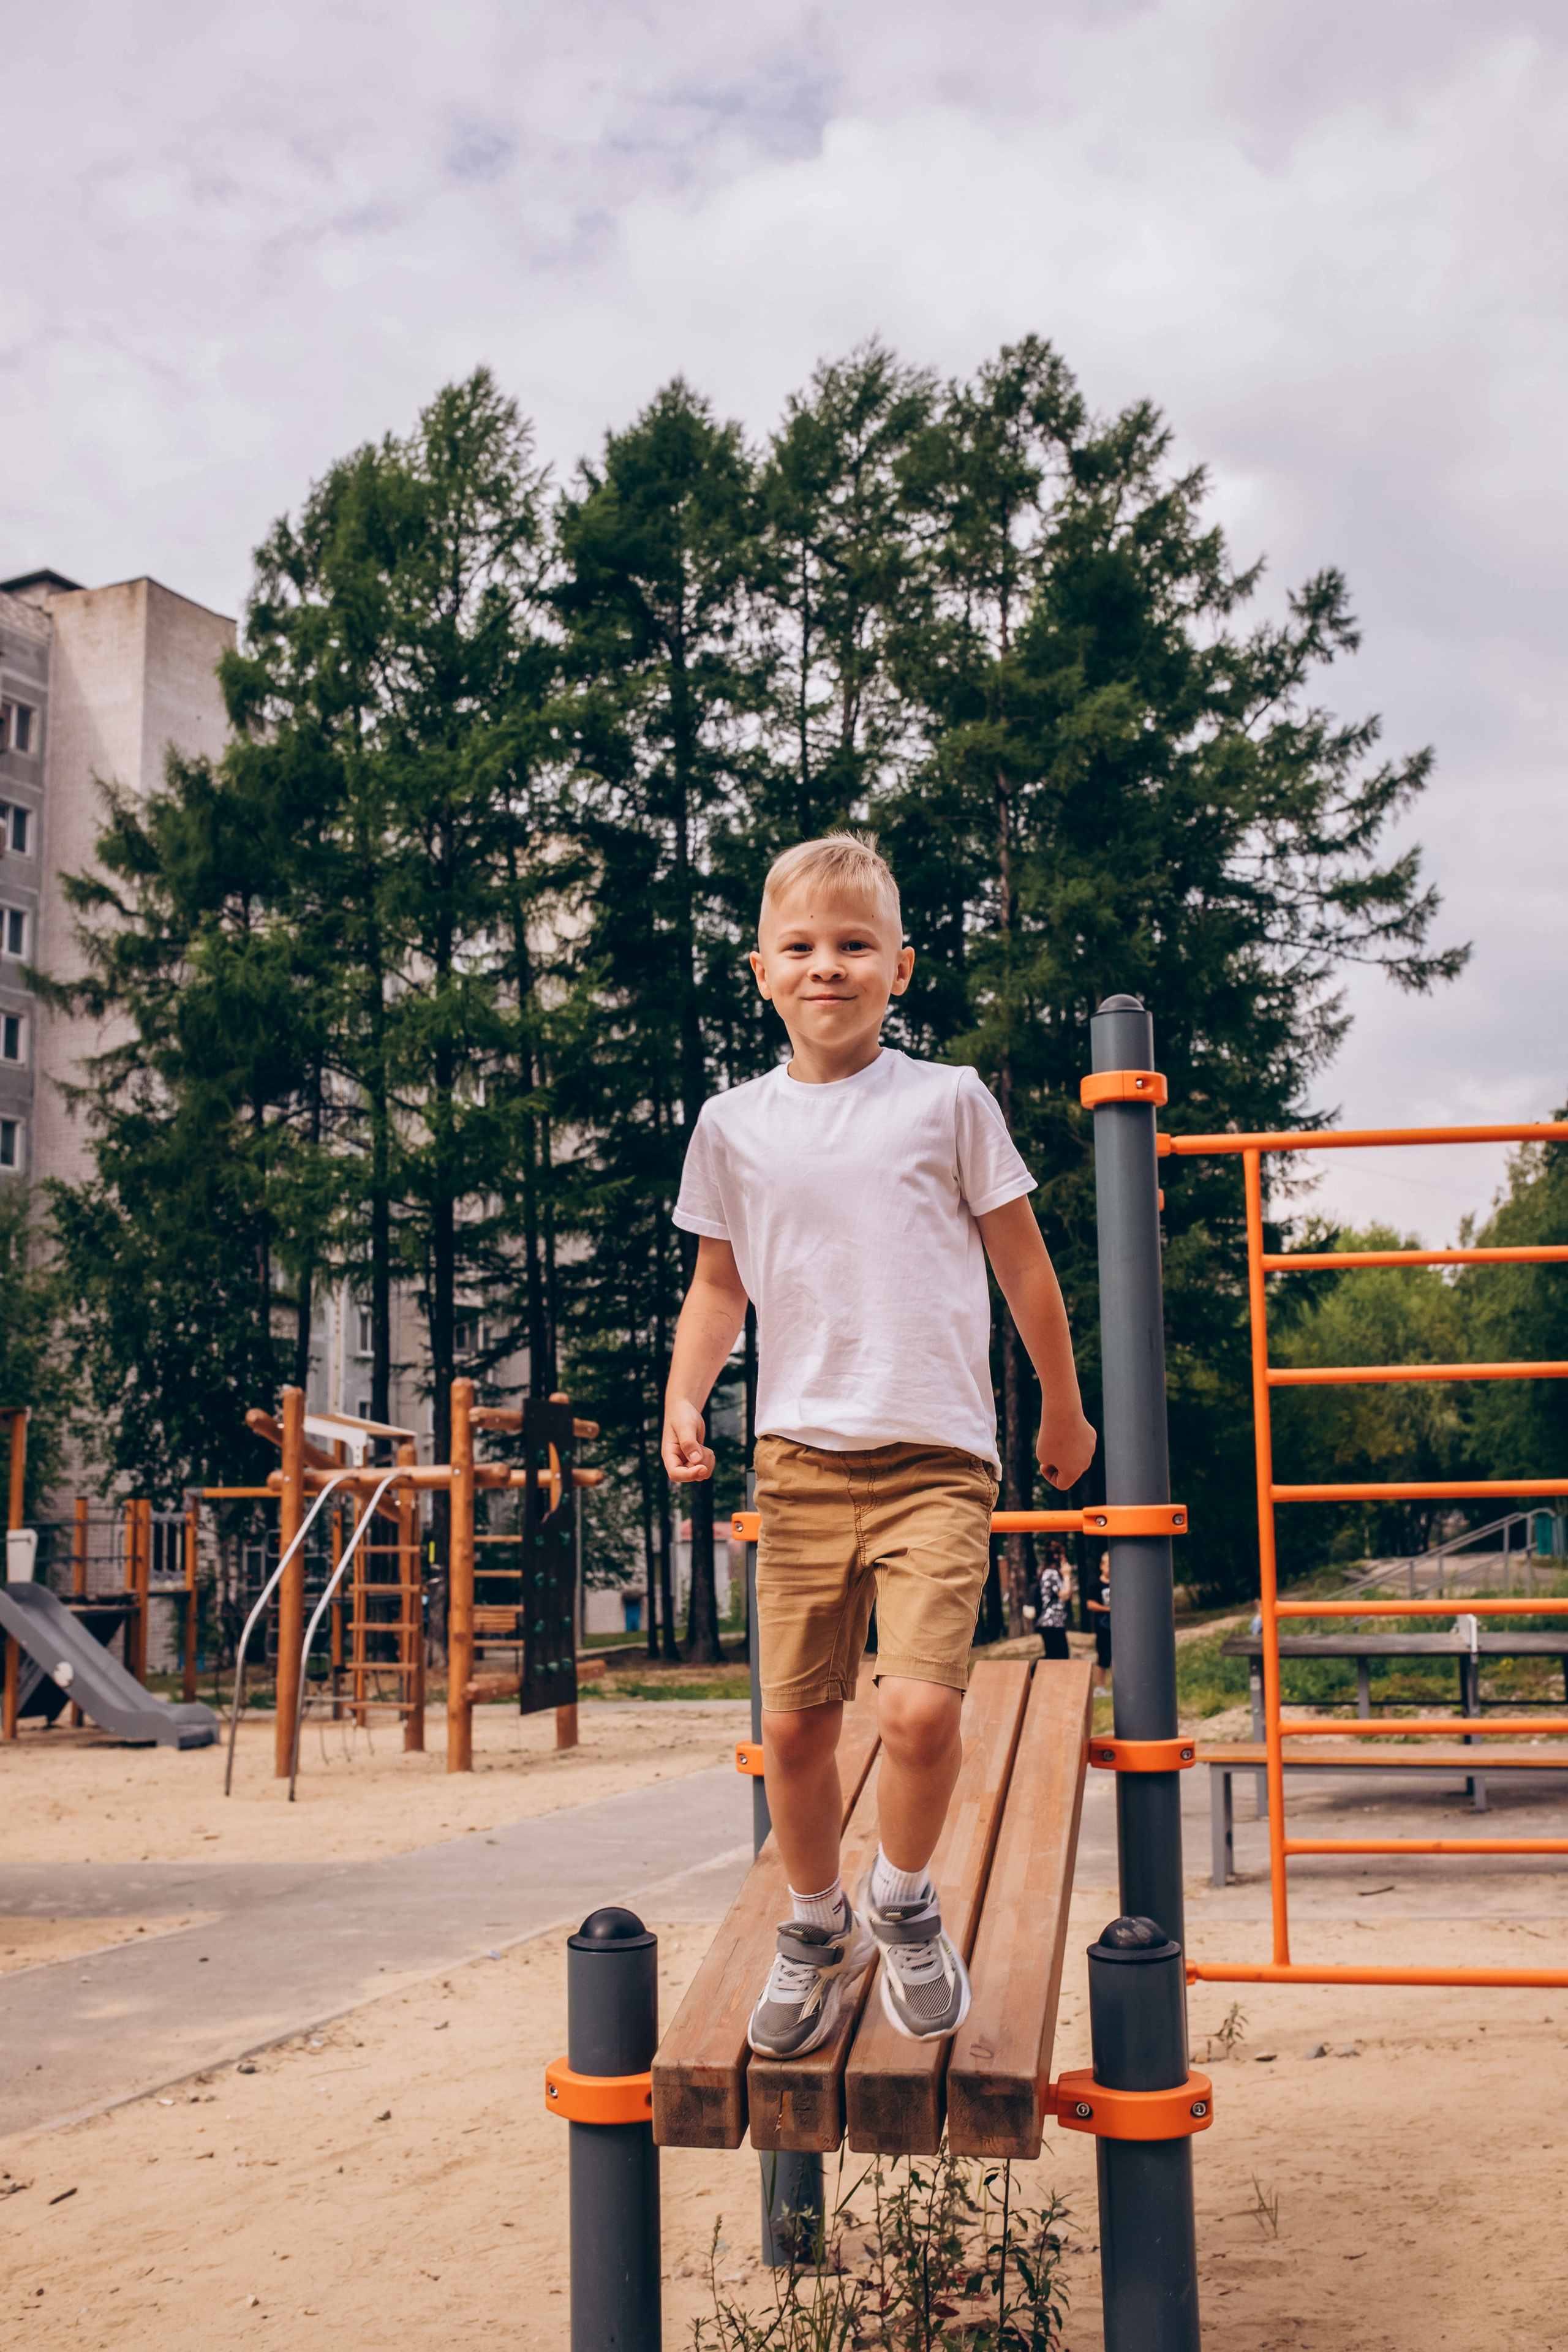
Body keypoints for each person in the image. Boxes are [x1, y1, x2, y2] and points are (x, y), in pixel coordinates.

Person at [662, 832, 1096, 2057]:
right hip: (798, 1462)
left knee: (916, 1711)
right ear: (759, 971)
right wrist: (685, 1395)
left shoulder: (945, 1101)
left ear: (899, 968)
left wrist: (1062, 1407)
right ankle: (817, 1925)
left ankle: (902, 1900)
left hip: (935, 1459)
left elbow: (1024, 1268)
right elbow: (717, 1287)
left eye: (855, 946)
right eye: (800, 947)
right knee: (796, 1732)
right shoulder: (732, 1126)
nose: (828, 967)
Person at [1031, 1542, 1073, 1662]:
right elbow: (1065, 1595)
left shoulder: (1050, 1572)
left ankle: (1034, 1671)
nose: (1065, 1560)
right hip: (1051, 1622)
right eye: (1064, 1556)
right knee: (1059, 1657)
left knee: (1053, 1657)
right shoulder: (1051, 1573)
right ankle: (1032, 1671)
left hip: (1054, 1622)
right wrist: (1067, 1576)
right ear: (1056, 1556)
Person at [1087, 1556, 1112, 1687]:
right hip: (1103, 1625)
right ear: (1102, 1566)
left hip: (1118, 1627)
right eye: (1108, 1565)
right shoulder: (1096, 1585)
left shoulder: (1118, 1584)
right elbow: (1090, 1604)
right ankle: (1100, 1686)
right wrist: (1108, 1609)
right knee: (1103, 1656)